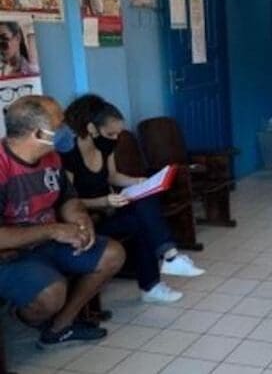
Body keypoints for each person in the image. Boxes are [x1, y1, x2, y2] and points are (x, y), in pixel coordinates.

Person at [0, 95, 125, 348]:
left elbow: (67, 199)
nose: (67, 131)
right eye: (59, 126)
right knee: (51, 294)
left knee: (112, 253)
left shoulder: (52, 157)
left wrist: (81, 221)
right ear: (38, 133)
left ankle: (60, 328)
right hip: (11, 254)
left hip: (49, 241)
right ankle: (22, 314)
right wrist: (54, 230)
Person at [61, 94, 204, 304]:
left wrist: (140, 182)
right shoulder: (68, 154)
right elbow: (69, 202)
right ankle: (156, 279)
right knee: (143, 221)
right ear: (91, 128)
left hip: (109, 209)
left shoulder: (105, 146)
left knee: (146, 200)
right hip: (87, 221)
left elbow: (112, 176)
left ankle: (169, 257)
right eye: (111, 133)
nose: (115, 139)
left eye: (118, 133)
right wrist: (104, 201)